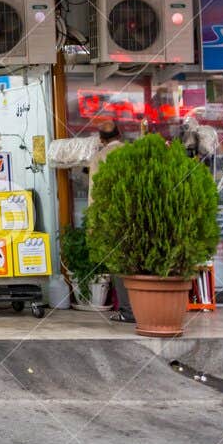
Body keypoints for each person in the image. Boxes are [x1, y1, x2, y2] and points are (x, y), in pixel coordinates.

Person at [86, 118, 132, 321]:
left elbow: (94, 194)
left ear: (101, 139)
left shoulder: (99, 158)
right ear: (119, 135)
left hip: (111, 219)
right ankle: (141, 307)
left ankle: (127, 310)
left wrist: (92, 225)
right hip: (135, 215)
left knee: (118, 264)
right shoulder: (131, 153)